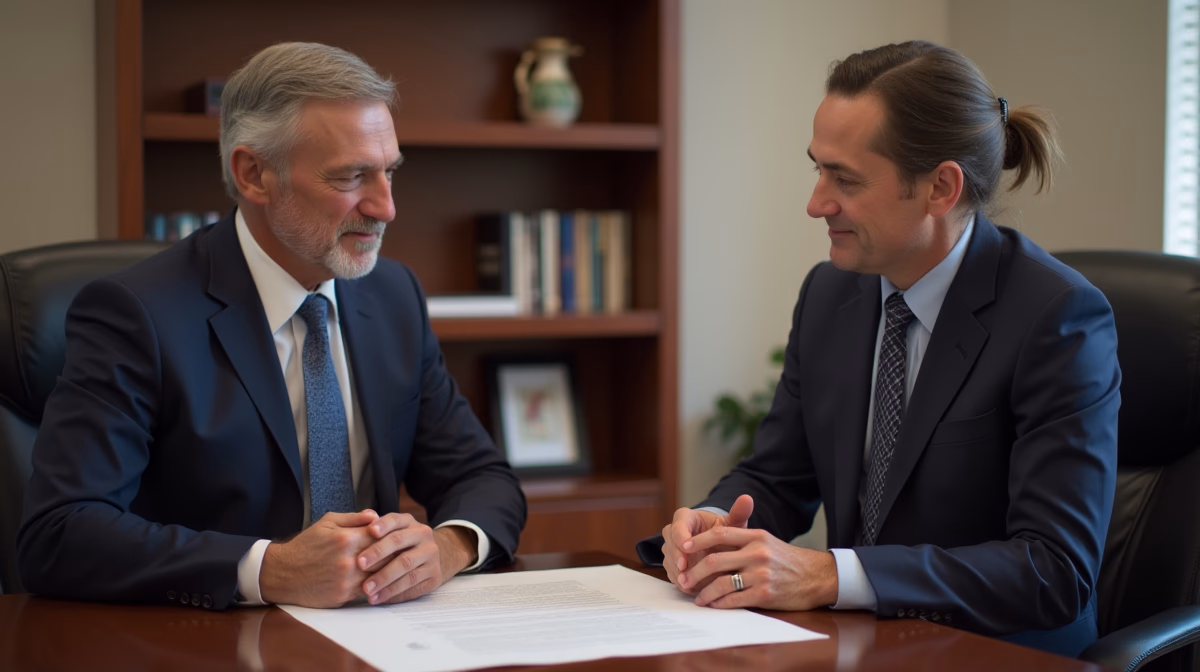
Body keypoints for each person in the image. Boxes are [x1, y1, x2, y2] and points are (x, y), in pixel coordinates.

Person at [641, 40, 1119, 657]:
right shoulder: (829, 293)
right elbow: (777, 477)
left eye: (845, 179)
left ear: (940, 189)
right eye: (818, 168)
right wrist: (711, 528)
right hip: (866, 647)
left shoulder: (1056, 318)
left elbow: (1054, 569)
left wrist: (828, 574)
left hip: (997, 656)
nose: (816, 203)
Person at [17, 42, 526, 610]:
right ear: (254, 173)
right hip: (208, 643)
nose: (386, 208)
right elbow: (59, 533)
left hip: (381, 638)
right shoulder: (136, 314)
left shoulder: (392, 295)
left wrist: (447, 546)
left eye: (389, 173)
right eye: (354, 176)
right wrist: (268, 569)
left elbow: (483, 476)